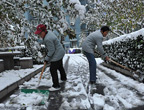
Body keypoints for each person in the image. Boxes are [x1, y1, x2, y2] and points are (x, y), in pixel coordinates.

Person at [35, 24, 67, 91]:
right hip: (60, 51)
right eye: (39, 34)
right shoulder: (48, 32)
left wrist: (47, 59)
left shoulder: (48, 39)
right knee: (59, 66)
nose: (40, 35)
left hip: (57, 53)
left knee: (53, 69)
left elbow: (51, 50)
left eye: (40, 33)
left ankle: (56, 85)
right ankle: (63, 78)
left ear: (44, 31)